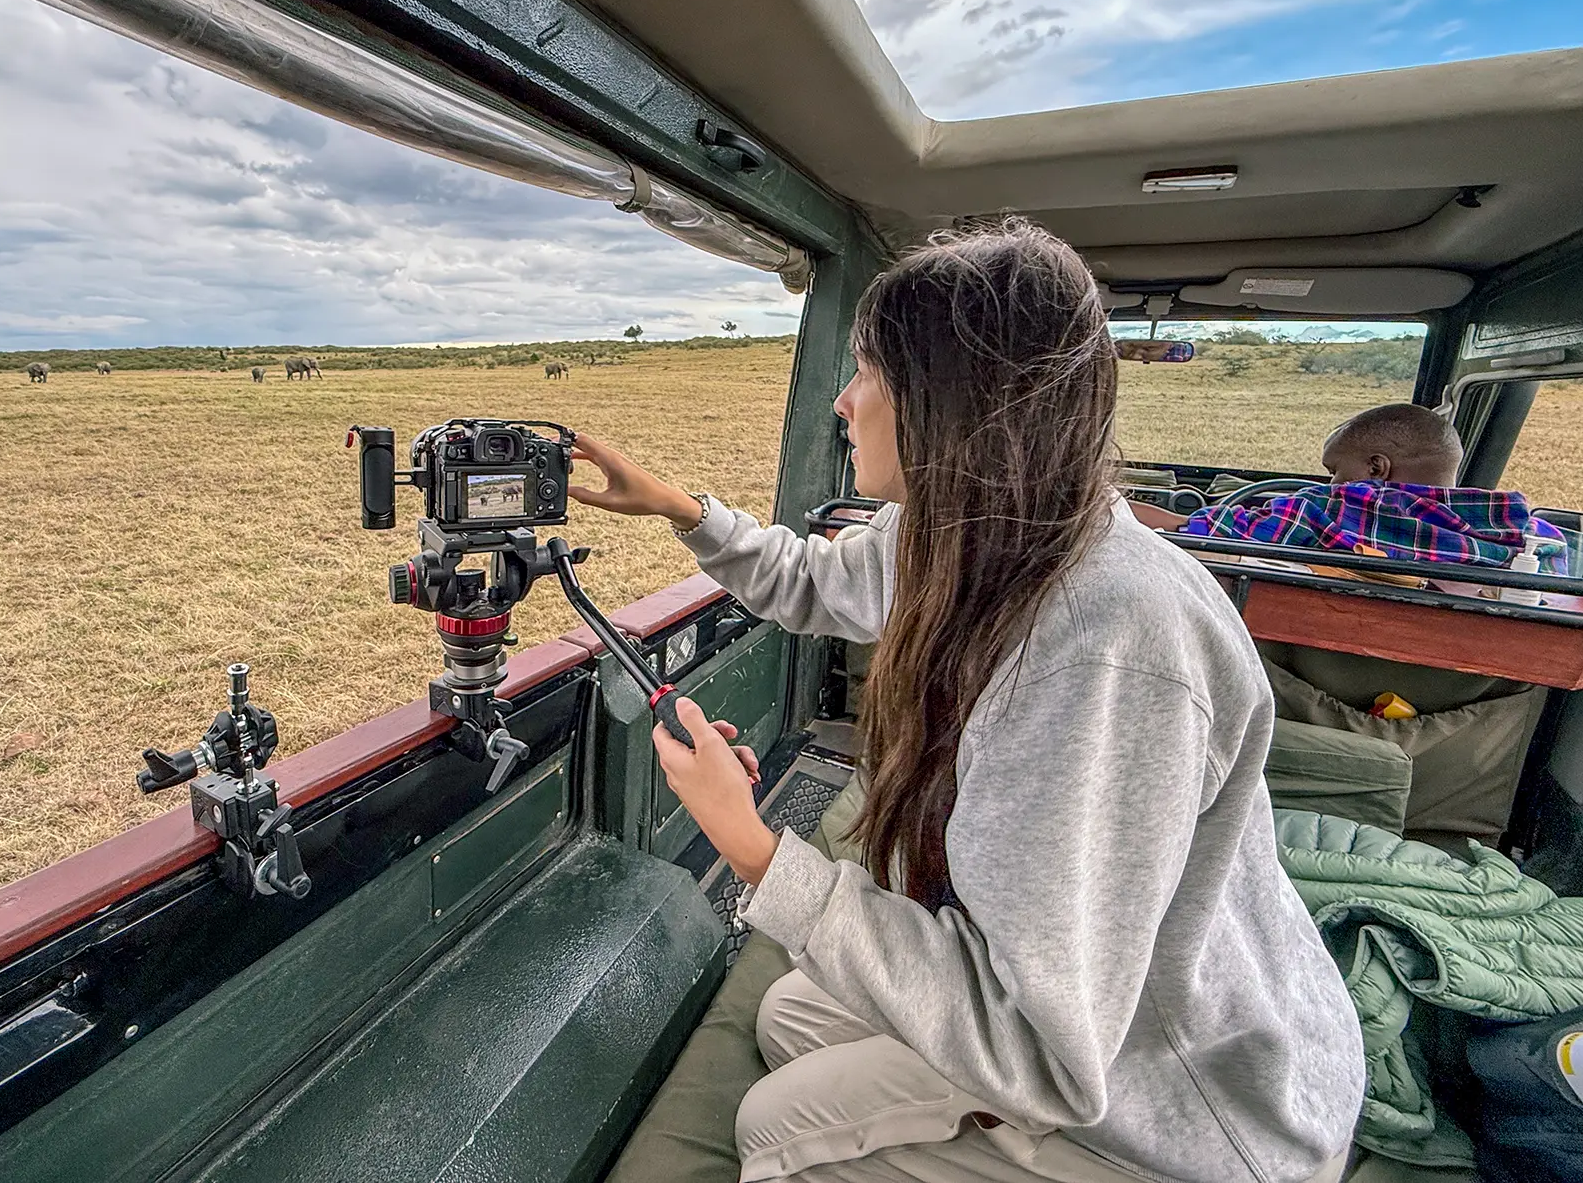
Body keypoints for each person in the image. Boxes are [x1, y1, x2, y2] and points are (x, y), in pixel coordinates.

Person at [569, 220, 1364, 1183]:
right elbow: (820, 584)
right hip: (1085, 1010)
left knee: (776, 1131)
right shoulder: (977, 534)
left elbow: (1046, 1053)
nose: (842, 400)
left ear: (955, 403)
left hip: (1182, 1106)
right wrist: (680, 510)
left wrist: (755, 849)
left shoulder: (1102, 649)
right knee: (788, 1014)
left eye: (870, 373)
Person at [1175, 402, 1568, 574]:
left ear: (1376, 468)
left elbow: (1196, 532)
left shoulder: (1333, 510)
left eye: (1335, 471)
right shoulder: (1540, 536)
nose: (1332, 483)